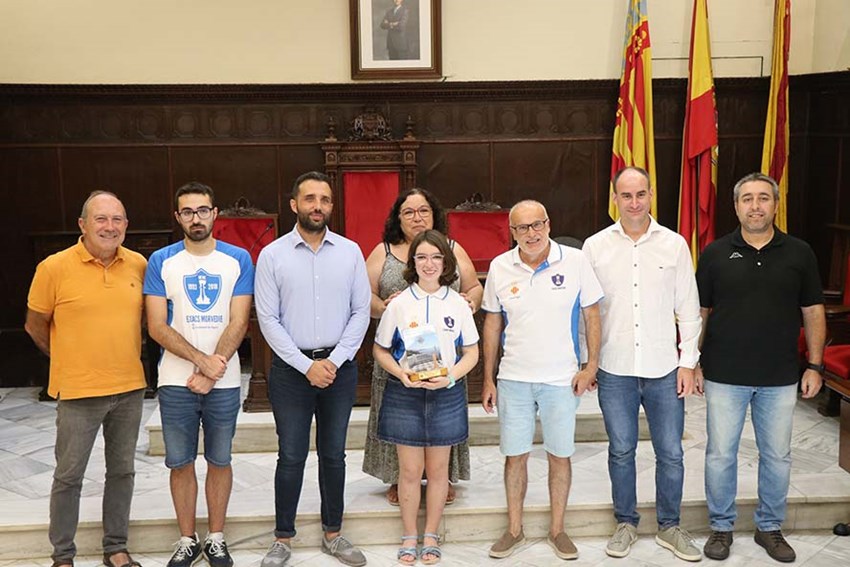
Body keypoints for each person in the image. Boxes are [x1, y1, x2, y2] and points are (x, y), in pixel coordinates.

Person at [696, 172, 826, 563]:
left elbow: (813, 311)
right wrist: (692, 362)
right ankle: (721, 527)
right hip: (724, 374)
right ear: (736, 206)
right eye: (747, 199)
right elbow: (701, 312)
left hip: (779, 376)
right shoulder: (715, 253)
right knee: (720, 455)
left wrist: (815, 365)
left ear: (775, 204)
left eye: (763, 198)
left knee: (777, 456)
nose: (755, 206)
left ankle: (769, 527)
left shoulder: (800, 253)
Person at [582, 167, 702, 561]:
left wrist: (688, 362)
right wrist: (589, 361)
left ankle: (670, 526)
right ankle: (626, 523)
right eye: (626, 195)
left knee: (671, 452)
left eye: (640, 194)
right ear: (615, 198)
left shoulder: (674, 245)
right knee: (621, 450)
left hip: (664, 368)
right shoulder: (595, 247)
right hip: (614, 368)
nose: (634, 203)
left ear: (651, 195)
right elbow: (587, 312)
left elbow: (688, 310)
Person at [255, 171, 371, 567]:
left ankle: (333, 534)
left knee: (334, 454)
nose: (317, 206)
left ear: (331, 206)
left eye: (324, 199)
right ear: (294, 204)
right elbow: (268, 319)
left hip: (339, 370)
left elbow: (361, 312)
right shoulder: (272, 255)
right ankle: (282, 538)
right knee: (291, 455)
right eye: (309, 199)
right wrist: (307, 366)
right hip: (292, 371)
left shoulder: (350, 252)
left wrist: (333, 362)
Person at [25, 191, 147, 567]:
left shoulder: (139, 264)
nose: (110, 227)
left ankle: (116, 548)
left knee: (122, 471)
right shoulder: (53, 267)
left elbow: (146, 321)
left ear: (126, 225)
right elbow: (34, 325)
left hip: (129, 388)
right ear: (83, 224)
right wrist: (68, 358)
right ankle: (63, 556)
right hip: (78, 392)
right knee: (69, 475)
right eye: (101, 219)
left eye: (117, 219)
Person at [480, 199, 603, 561]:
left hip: (561, 380)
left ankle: (558, 530)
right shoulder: (500, 267)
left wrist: (591, 366)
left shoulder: (576, 261)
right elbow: (492, 323)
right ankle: (514, 530)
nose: (531, 233)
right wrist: (488, 378)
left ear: (548, 224)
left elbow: (592, 315)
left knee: (560, 456)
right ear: (512, 232)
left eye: (537, 225)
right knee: (514, 456)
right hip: (514, 378)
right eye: (522, 227)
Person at [144, 182, 253, 567]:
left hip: (223, 381)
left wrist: (213, 368)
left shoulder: (238, 259)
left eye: (203, 210)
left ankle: (216, 538)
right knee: (181, 462)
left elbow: (239, 320)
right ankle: (187, 539)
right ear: (178, 217)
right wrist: (201, 362)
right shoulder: (161, 261)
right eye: (188, 212)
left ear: (214, 213)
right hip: (176, 381)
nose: (196, 218)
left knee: (220, 460)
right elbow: (156, 326)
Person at [362, 187, 483, 506]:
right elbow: (363, 296)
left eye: (423, 211)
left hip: (444, 359)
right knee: (400, 419)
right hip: (397, 359)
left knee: (443, 418)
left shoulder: (451, 248)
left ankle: (442, 478)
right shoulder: (383, 251)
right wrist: (382, 307)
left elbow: (474, 286)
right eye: (409, 212)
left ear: (434, 215)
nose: (417, 217)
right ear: (397, 218)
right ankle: (398, 478)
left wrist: (470, 302)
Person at [373, 229, 480, 565]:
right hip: (405, 393)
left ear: (446, 263)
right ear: (413, 263)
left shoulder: (458, 303)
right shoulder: (399, 304)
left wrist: (451, 377)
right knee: (408, 471)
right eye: (421, 257)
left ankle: (431, 535)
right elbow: (380, 349)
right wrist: (400, 373)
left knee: (438, 471)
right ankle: (409, 536)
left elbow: (472, 352)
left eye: (436, 257)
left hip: (446, 393)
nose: (429, 263)